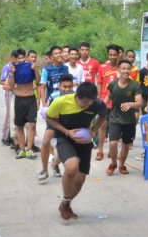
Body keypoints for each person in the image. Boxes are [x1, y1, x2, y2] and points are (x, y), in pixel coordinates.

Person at [45, 82, 107, 220]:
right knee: (72, 166)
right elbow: (49, 117)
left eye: (90, 102)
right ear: (77, 96)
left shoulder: (97, 104)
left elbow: (103, 115)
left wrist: (94, 130)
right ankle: (66, 201)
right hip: (64, 137)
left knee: (79, 180)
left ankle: (65, 203)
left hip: (84, 140)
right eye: (84, 101)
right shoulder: (60, 102)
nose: (88, 105)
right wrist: (67, 132)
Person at [103, 59, 142, 176]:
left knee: (126, 145)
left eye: (128, 69)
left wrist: (131, 104)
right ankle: (113, 163)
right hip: (115, 118)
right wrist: (100, 108)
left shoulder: (135, 85)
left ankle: (121, 165)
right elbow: (108, 98)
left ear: (130, 70)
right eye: (123, 68)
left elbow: (140, 103)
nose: (126, 71)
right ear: (119, 70)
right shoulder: (113, 84)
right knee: (113, 143)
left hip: (129, 120)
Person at [38, 73, 74, 180]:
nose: (67, 89)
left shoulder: (76, 97)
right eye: (64, 87)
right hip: (54, 122)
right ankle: (44, 170)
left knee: (63, 151)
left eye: (69, 87)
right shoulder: (53, 96)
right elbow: (47, 112)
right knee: (45, 142)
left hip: (68, 124)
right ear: (59, 86)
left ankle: (55, 165)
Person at [39, 46, 70, 168]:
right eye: (56, 53)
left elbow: (68, 85)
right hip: (51, 104)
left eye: (60, 53)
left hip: (64, 104)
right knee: (50, 133)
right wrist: (43, 104)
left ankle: (57, 159)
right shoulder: (47, 70)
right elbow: (42, 87)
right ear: (51, 57)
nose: (58, 55)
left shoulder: (65, 68)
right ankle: (51, 157)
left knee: (61, 134)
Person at [8, 48, 40, 159]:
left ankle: (29, 149)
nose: (21, 60)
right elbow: (11, 85)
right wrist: (12, 74)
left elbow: (39, 81)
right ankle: (21, 149)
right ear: (15, 59)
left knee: (32, 124)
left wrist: (35, 70)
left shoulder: (31, 66)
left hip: (31, 98)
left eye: (22, 58)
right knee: (19, 125)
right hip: (19, 99)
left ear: (25, 57)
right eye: (19, 58)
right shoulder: (13, 69)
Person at [95, 44, 120, 161]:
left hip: (117, 104)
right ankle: (100, 151)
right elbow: (99, 83)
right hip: (105, 102)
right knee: (102, 126)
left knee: (114, 128)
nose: (113, 57)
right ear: (108, 55)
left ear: (118, 55)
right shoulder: (102, 67)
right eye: (110, 55)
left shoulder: (122, 68)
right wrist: (99, 99)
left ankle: (111, 150)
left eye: (115, 55)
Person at [0, 50, 19, 148]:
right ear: (12, 57)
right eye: (15, 58)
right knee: (9, 114)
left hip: (17, 92)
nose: (16, 60)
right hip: (9, 92)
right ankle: (5, 137)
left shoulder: (18, 67)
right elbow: (3, 82)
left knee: (15, 115)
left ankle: (13, 136)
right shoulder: (7, 67)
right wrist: (12, 86)